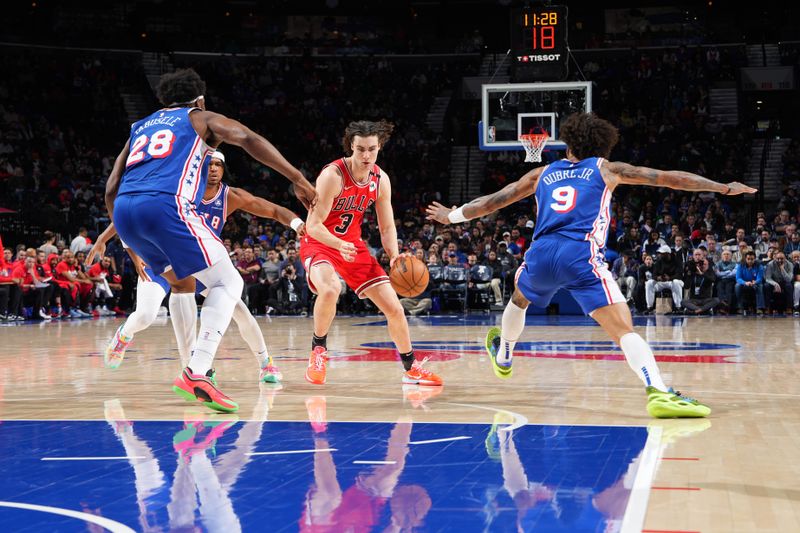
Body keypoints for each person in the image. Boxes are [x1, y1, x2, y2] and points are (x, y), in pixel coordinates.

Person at [427, 112, 756, 418]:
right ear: (603, 145)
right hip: (578, 254)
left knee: (519, 297)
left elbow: (494, 201)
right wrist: (723, 188)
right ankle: (658, 391)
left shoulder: (542, 172)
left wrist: (451, 216)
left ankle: (505, 354)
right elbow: (670, 179)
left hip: (540, 252)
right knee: (623, 329)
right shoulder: (606, 169)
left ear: (568, 143)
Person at [103, 68, 315, 413]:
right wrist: (297, 177)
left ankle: (201, 366)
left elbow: (112, 185)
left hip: (125, 211)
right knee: (230, 280)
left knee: (185, 286)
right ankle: (197, 370)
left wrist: (128, 240)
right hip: (164, 205)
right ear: (199, 99)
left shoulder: (140, 127)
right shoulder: (200, 118)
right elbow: (246, 137)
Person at [91, 150, 305, 387]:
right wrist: (103, 237)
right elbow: (132, 211)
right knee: (145, 315)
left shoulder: (229, 196)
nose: (213, 169)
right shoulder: (177, 190)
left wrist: (297, 223)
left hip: (199, 264)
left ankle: (266, 363)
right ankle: (124, 335)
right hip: (163, 262)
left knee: (240, 312)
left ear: (223, 170)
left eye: (218, 165)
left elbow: (272, 210)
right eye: (208, 164)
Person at [300, 120, 442, 387]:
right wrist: (337, 244)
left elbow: (387, 226)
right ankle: (318, 350)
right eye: (360, 149)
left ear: (380, 147)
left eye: (372, 149)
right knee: (330, 289)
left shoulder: (380, 179)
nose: (366, 156)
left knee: (395, 308)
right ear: (351, 147)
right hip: (320, 243)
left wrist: (395, 254)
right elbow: (313, 225)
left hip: (352, 246)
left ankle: (411, 368)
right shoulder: (333, 175)